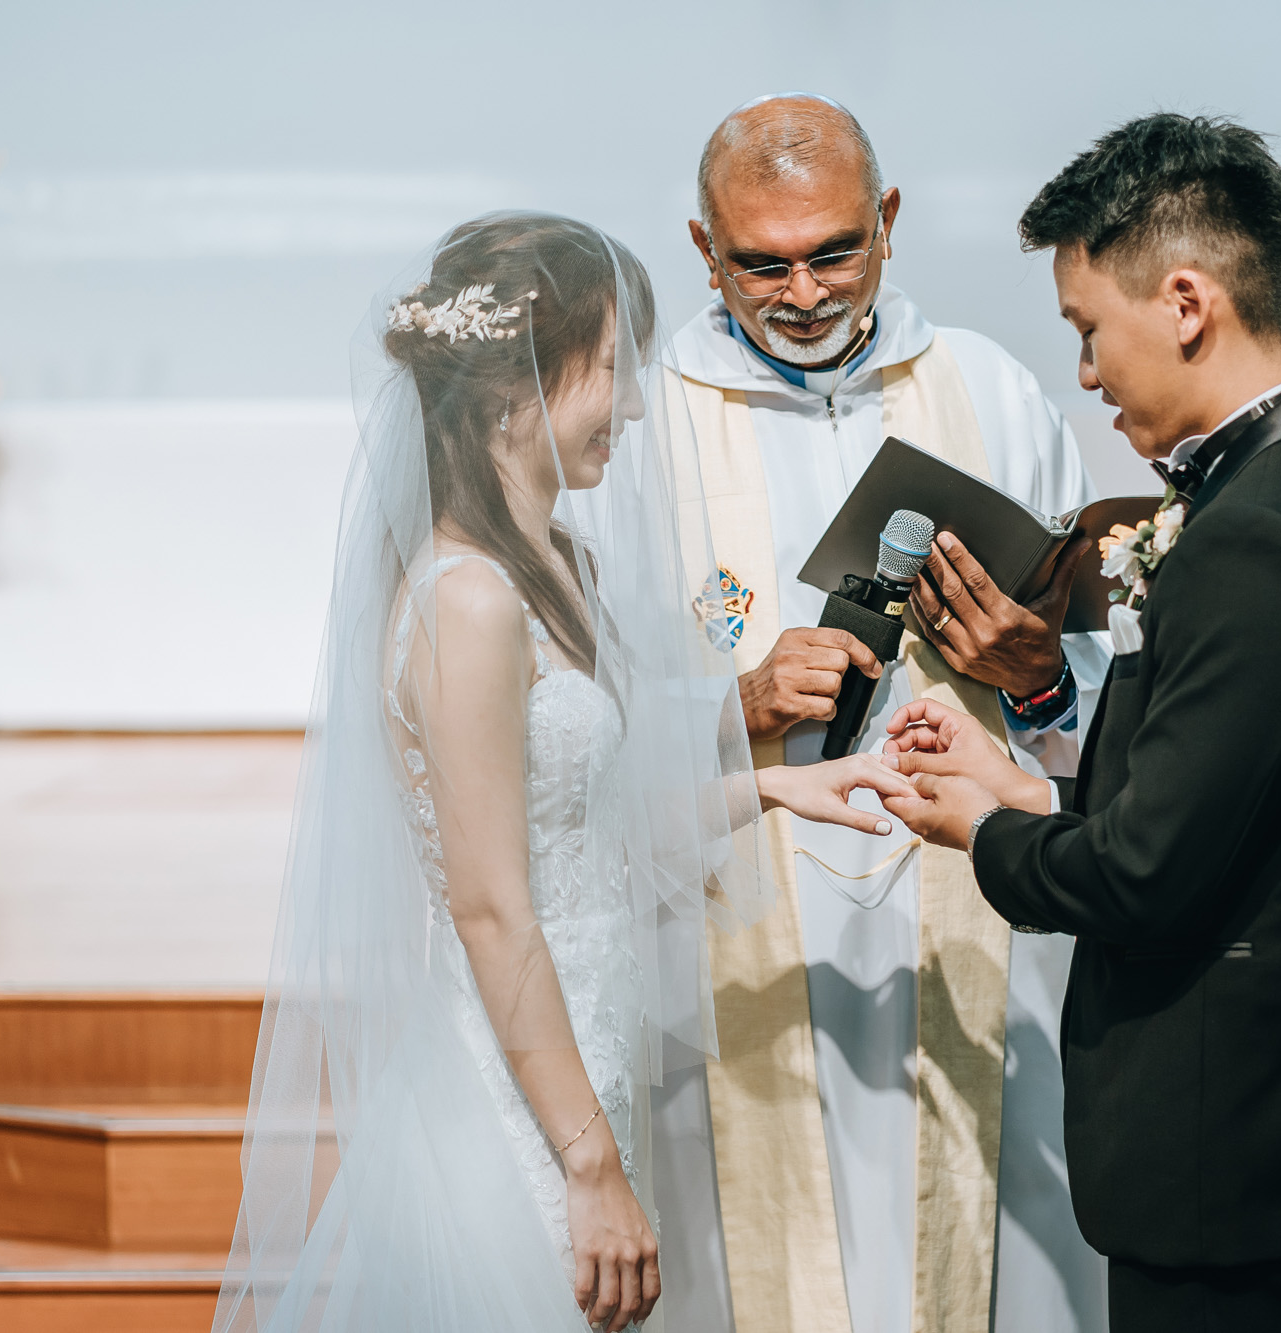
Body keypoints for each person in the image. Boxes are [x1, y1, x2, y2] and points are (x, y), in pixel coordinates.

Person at [212, 212, 914, 1333]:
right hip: (512, 1107)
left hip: (580, 1057)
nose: (631, 407)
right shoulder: (468, 599)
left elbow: (587, 832)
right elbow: (493, 907)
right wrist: (587, 1166)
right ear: (515, 391)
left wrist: (776, 788)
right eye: (610, 370)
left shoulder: (554, 569)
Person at [881, 114, 1281, 1332]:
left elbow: (1144, 875)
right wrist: (1029, 782)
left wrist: (983, 827)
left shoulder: (1258, 536)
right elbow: (1229, 806)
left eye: (1086, 329)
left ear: (1185, 302)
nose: (1086, 373)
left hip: (1237, 1148)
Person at [656, 93, 1110, 1333]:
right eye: (761, 263)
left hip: (970, 908)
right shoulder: (647, 420)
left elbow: (1099, 687)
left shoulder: (988, 390)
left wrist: (1035, 673)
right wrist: (732, 700)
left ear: (889, 221)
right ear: (701, 247)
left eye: (834, 252)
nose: (802, 293)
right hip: (745, 920)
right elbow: (571, 712)